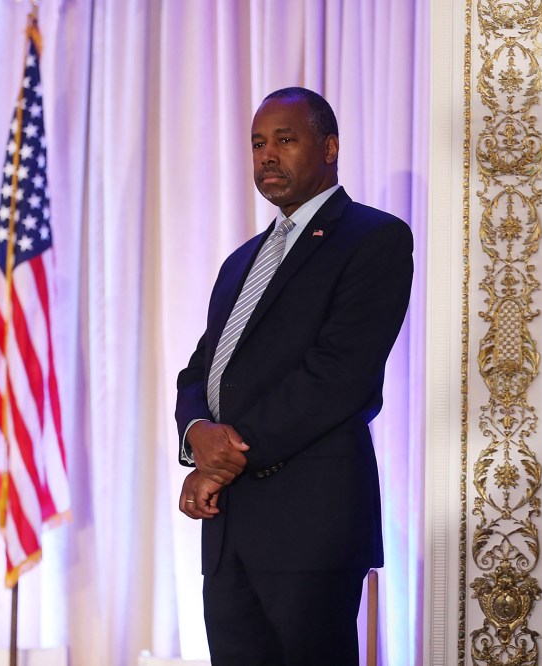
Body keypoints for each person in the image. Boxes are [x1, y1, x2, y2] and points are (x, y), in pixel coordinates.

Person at [174, 87, 413, 665]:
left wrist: (227, 454)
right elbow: (201, 369)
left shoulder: (373, 239)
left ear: (329, 147)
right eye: (259, 143)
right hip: (229, 528)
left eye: (285, 139)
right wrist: (196, 434)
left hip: (311, 524)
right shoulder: (241, 260)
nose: (267, 156)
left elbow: (337, 376)